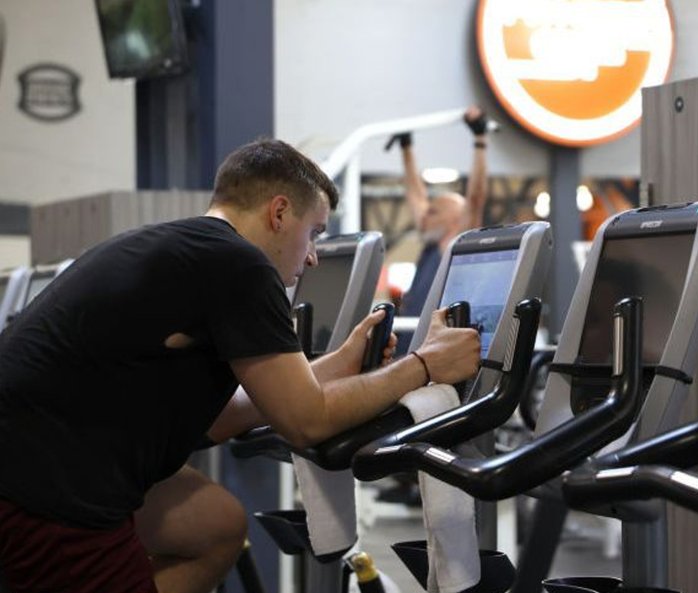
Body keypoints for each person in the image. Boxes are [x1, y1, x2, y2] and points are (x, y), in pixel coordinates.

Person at [0, 138, 481, 593]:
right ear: (278, 212)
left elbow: (222, 417)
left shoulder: (185, 247)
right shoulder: (239, 265)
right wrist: (424, 364)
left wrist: (338, 364)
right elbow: (305, 421)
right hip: (45, 492)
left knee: (216, 526)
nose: (313, 256)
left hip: (40, 454)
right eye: (313, 233)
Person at [393, 105, 491, 317]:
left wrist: (480, 139)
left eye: (434, 212)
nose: (424, 215)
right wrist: (406, 147)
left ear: (455, 219)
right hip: (409, 341)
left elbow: (475, 199)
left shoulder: (456, 241)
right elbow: (416, 196)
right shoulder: (432, 243)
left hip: (433, 343)